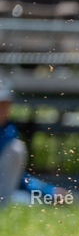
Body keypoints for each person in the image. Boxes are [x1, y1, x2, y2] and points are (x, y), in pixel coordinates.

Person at [0, 78, 68, 206]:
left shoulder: (7, 133)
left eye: (5, 104)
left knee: (25, 200)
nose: (2, 109)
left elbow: (17, 177)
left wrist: (49, 191)